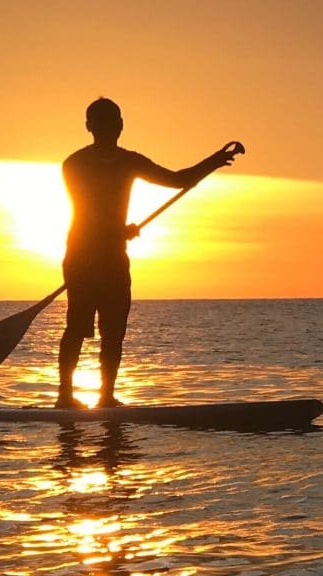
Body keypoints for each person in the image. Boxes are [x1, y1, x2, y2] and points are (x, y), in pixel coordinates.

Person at [56, 97, 240, 409]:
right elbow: (87, 213)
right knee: (77, 327)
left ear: (121, 125)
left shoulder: (130, 161)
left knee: (114, 332)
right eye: (101, 122)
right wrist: (119, 231)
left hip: (114, 260)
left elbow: (179, 180)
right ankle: (65, 397)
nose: (109, 128)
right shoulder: (74, 165)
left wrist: (214, 161)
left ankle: (106, 398)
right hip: (82, 259)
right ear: (89, 127)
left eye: (114, 121)